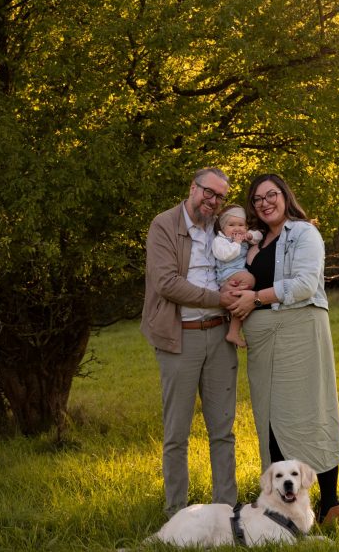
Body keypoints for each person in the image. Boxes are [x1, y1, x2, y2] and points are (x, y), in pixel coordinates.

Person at [228, 173, 339, 526]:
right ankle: (285, 510)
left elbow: (308, 284)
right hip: (263, 341)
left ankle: (330, 505)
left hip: (298, 332)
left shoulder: (304, 233)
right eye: (257, 199)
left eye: (271, 195)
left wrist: (256, 297)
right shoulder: (257, 241)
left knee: (309, 415)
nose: (265, 203)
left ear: (285, 196)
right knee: (271, 421)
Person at [141, 167, 239, 517]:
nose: (212, 201)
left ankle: (227, 511)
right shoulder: (164, 225)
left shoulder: (220, 228)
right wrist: (219, 298)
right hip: (179, 337)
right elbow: (166, 283)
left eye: (219, 197)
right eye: (207, 193)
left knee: (223, 430)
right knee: (177, 434)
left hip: (220, 334)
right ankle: (177, 515)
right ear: (192, 188)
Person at [212, 204, 262, 347]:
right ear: (222, 227)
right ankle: (233, 331)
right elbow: (225, 255)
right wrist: (237, 243)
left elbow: (260, 236)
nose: (237, 228)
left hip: (236, 275)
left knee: (240, 302)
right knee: (250, 280)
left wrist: (250, 235)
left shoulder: (244, 236)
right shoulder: (219, 241)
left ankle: (233, 333)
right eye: (232, 225)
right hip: (227, 274)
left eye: (241, 225)